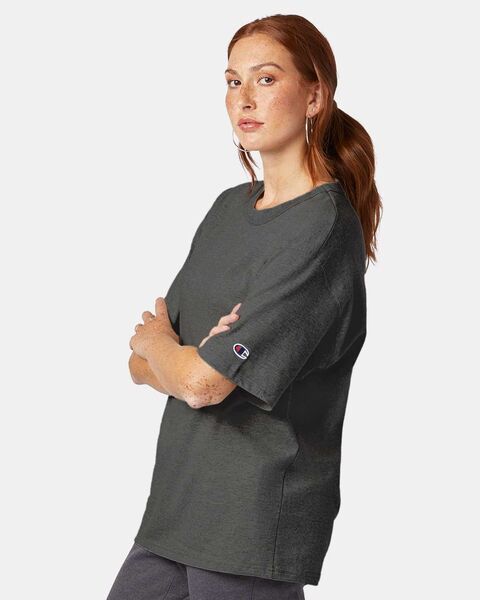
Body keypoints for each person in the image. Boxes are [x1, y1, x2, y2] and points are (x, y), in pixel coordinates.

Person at [106, 13, 382, 600]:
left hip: (250, 527)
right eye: (233, 81)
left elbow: (202, 383)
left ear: (314, 96)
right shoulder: (227, 209)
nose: (244, 99)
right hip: (174, 512)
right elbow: (139, 365)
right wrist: (171, 356)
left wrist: (165, 350)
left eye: (266, 79)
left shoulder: (322, 229)